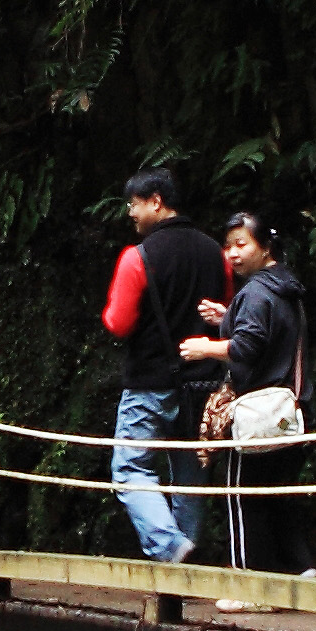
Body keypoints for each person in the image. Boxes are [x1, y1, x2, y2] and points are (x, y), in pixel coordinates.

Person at [99, 163, 228, 566]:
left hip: (150, 382)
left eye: (134, 204)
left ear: (156, 202)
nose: (130, 212)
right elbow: (227, 311)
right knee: (190, 475)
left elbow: (118, 322)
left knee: (130, 468)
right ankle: (184, 563)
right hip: (202, 384)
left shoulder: (137, 257)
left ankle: (171, 547)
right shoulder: (216, 253)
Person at [193, 211, 312, 570]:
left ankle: (247, 583)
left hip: (256, 415)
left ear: (265, 247)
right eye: (228, 246)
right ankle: (301, 570)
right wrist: (228, 317)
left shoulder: (257, 291)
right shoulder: (284, 284)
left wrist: (205, 347)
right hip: (289, 408)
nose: (232, 253)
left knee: (242, 497)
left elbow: (247, 346)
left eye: (241, 244)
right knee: (276, 496)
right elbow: (270, 330)